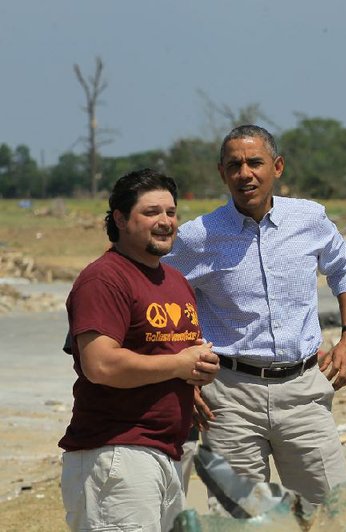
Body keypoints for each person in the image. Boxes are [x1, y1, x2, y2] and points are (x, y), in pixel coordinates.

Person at [162, 124, 346, 505]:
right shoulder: (197, 237)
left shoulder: (310, 219)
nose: (245, 174)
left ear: (278, 167)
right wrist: (179, 374)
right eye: (234, 165)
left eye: (255, 162)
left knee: (333, 512)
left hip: (304, 389)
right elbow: (159, 298)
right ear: (221, 173)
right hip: (228, 397)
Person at [59, 169, 220, 532]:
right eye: (151, 212)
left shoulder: (174, 280)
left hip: (167, 451)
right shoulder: (105, 278)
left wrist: (196, 371)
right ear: (120, 218)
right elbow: (100, 363)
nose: (165, 222)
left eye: (171, 212)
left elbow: (168, 352)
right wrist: (179, 365)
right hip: (116, 453)